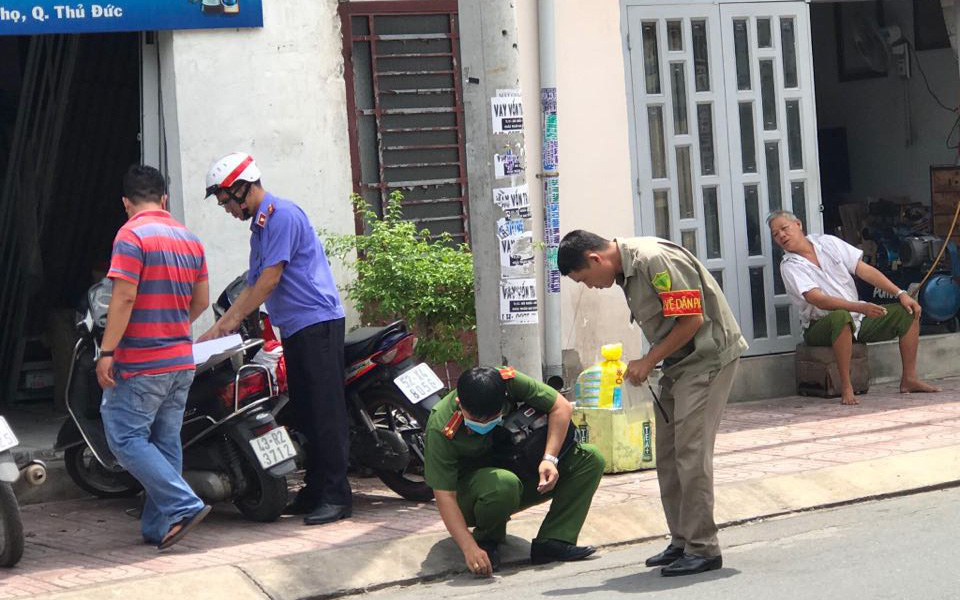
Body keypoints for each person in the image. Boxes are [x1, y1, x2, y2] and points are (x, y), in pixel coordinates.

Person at [557, 230, 746, 577]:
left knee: (691, 453)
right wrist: (655, 360)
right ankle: (682, 540)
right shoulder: (626, 273)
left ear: (595, 259)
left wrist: (648, 360)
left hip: (708, 360)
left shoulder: (653, 260)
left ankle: (703, 547)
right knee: (668, 453)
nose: (590, 287)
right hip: (679, 363)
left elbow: (692, 320)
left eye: (585, 279)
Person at [198, 152, 351, 526]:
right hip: (297, 328)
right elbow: (250, 283)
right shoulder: (261, 229)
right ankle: (315, 491)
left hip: (317, 324)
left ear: (240, 188)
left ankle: (337, 496)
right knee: (305, 412)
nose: (228, 210)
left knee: (326, 413)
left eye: (226, 202)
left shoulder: (281, 215)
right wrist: (217, 330)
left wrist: (228, 323)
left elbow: (269, 280)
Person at [95, 164, 211, 550]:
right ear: (164, 199)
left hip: (143, 363)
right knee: (165, 441)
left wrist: (107, 351)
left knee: (125, 437)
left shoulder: (130, 236)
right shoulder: (189, 238)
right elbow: (201, 301)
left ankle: (183, 505)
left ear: (126, 202)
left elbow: (124, 297)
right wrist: (172, 327)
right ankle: (157, 527)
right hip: (181, 360)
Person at [424, 366, 604, 577]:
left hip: (515, 473)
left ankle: (554, 540)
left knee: (589, 459)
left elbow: (561, 407)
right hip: (471, 498)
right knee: (502, 483)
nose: (484, 424)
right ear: (459, 404)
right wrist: (468, 546)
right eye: (476, 420)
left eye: (491, 417)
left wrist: (549, 459)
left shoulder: (507, 381)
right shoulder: (441, 427)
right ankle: (488, 539)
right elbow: (444, 495)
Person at [767, 210, 939, 405]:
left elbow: (863, 270)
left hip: (857, 317)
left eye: (784, 228)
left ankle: (909, 379)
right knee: (841, 316)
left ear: (798, 224)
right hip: (819, 325)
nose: (781, 235)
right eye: (775, 234)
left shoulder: (827, 243)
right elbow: (818, 299)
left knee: (907, 311)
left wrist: (901, 294)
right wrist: (859, 307)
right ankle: (846, 387)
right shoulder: (789, 265)